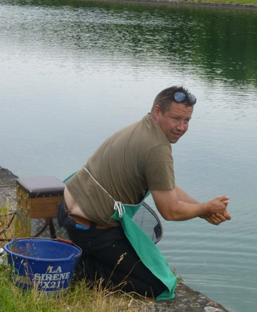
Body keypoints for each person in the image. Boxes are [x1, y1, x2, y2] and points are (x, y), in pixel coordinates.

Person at [57, 86, 231, 299]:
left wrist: (203, 210)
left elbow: (167, 187)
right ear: (158, 112)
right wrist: (204, 208)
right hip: (92, 232)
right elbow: (170, 211)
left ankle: (80, 254)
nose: (182, 127)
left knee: (145, 263)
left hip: (65, 212)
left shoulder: (142, 128)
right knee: (158, 286)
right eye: (176, 118)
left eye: (187, 121)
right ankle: (81, 269)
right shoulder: (157, 148)